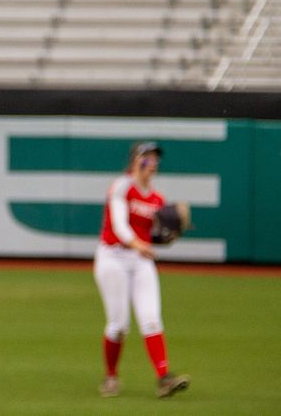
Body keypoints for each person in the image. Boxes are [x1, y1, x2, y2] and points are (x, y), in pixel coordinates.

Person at [93, 141, 190, 399]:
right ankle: (111, 377)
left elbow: (157, 235)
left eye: (154, 158)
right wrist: (138, 243)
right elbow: (119, 225)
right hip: (112, 257)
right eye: (146, 157)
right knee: (119, 325)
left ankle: (164, 378)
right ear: (135, 160)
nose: (151, 162)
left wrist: (173, 230)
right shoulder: (122, 187)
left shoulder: (158, 199)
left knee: (151, 319)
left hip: (140, 261)